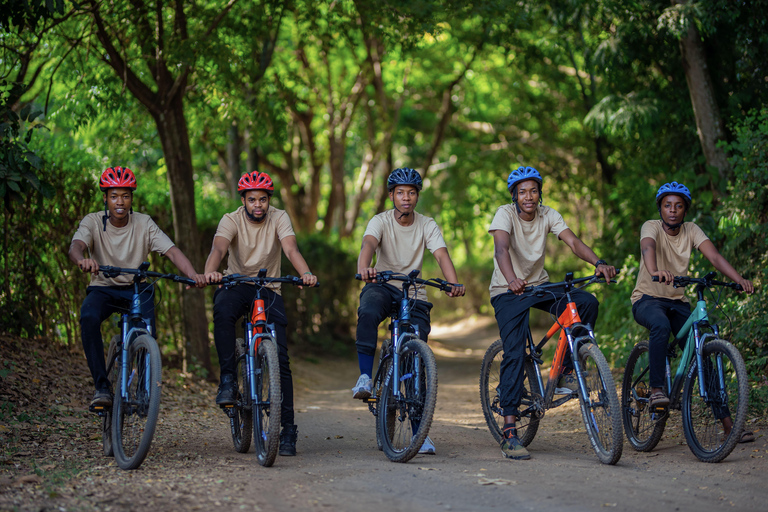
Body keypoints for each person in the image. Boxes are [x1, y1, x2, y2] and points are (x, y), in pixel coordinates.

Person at [489, 166, 615, 460]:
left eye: (533, 190)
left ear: (540, 193)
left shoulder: (549, 214)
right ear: (514, 196)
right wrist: (511, 279)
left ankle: (568, 371)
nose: (528, 196)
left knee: (585, 302)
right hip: (507, 290)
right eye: (522, 192)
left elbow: (572, 241)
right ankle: (509, 431)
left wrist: (599, 262)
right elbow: (501, 250)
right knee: (516, 351)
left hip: (539, 285)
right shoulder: (503, 215)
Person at [69, 166, 206, 409]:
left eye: (125, 196)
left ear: (132, 198)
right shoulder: (92, 221)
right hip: (103, 287)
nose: (119, 202)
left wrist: (192, 274)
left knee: (147, 334)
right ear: (105, 198)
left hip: (137, 288)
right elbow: (76, 246)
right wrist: (83, 259)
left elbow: (171, 251)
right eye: (114, 196)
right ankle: (102, 387)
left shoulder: (144, 223)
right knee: (88, 317)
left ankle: (144, 390)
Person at [203, 171, 317, 457]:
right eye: (252, 199)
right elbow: (219, 248)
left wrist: (305, 273)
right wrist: (210, 273)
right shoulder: (231, 219)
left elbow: (290, 248)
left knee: (281, 358)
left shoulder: (279, 217)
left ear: (269, 201)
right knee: (223, 310)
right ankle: (228, 380)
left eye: (263, 199)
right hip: (236, 283)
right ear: (243, 200)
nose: (258, 205)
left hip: (269, 289)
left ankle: (288, 429)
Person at [630, 181, 755, 442]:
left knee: (702, 352)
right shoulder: (650, 227)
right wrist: (655, 272)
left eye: (678, 206)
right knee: (660, 326)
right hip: (647, 299)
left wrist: (739, 279)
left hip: (677, 302)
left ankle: (729, 426)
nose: (673, 210)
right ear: (660, 208)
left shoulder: (691, 230)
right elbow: (647, 248)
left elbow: (715, 257)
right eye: (667, 206)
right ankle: (655, 389)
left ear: (685, 210)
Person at [353, 167, 465, 455]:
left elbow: (441, 254)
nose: (406, 198)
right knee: (367, 311)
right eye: (400, 192)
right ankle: (365, 377)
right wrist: (364, 268)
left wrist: (452, 283)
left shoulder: (427, 224)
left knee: (417, 361)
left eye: (412, 193)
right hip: (383, 284)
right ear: (391, 195)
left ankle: (419, 433)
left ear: (417, 197)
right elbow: (368, 244)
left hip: (414, 291)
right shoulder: (379, 221)